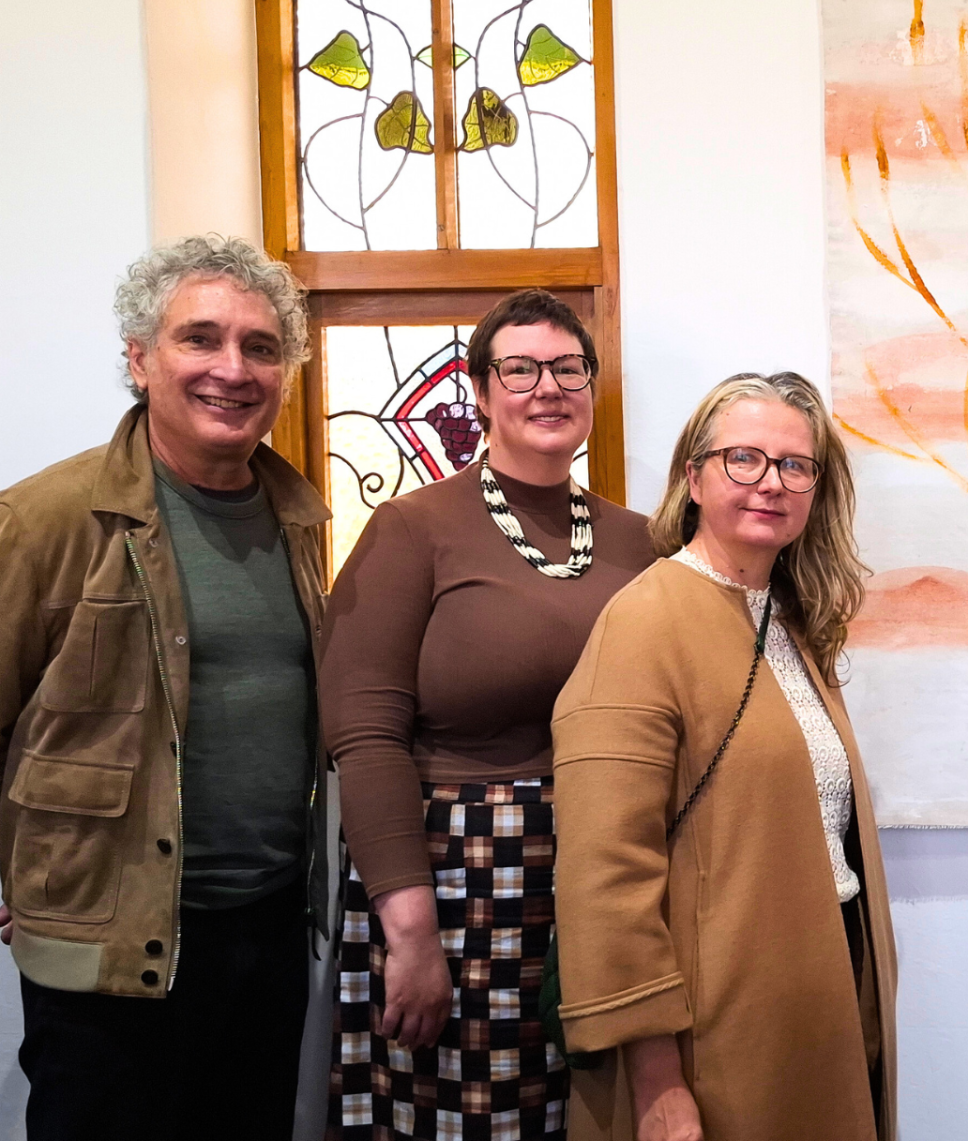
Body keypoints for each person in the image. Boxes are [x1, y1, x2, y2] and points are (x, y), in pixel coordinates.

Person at [0, 236, 329, 1138]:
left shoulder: (299, 517)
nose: (234, 369)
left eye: (261, 347)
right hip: (112, 943)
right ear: (140, 358)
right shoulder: (46, 518)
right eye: (201, 339)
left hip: (266, 933)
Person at [320, 290, 656, 1140]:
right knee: (467, 1119)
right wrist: (411, 932)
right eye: (520, 369)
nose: (548, 388)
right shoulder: (411, 529)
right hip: (455, 882)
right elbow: (364, 735)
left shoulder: (640, 541)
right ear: (478, 390)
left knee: (583, 1115)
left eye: (568, 368)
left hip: (600, 870)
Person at [551, 371, 897, 1141]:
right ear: (694, 477)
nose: (770, 482)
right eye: (743, 458)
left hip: (817, 993)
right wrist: (657, 1082)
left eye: (794, 465)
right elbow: (605, 873)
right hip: (711, 1032)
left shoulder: (790, 621)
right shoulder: (643, 622)